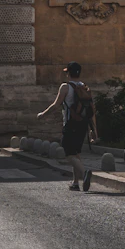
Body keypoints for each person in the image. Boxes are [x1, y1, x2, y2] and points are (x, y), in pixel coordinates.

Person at [37, 62, 97, 192]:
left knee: (69, 154)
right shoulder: (85, 87)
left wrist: (43, 114)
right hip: (83, 124)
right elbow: (92, 111)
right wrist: (94, 130)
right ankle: (75, 183)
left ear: (69, 73)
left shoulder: (65, 87)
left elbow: (56, 105)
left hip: (71, 124)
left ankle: (85, 172)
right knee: (76, 153)